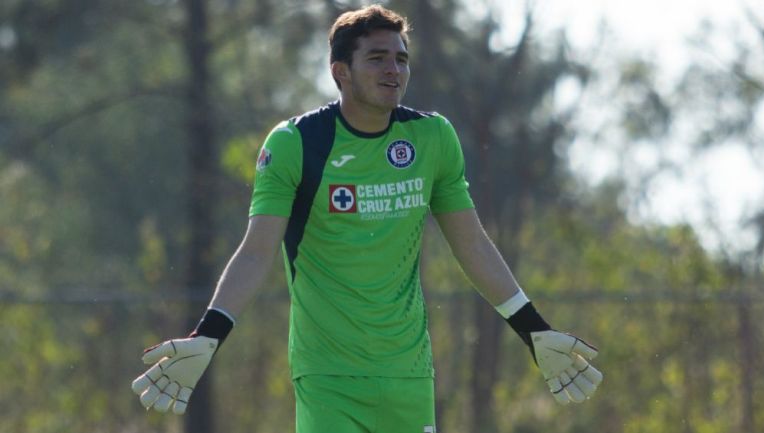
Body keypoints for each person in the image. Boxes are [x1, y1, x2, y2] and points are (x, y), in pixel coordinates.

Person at [131, 5, 603, 432]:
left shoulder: (433, 137)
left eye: (401, 58)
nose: (393, 69)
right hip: (327, 377)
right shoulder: (296, 143)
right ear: (341, 71)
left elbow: (473, 245)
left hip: (409, 374)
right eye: (377, 58)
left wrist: (534, 329)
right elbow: (256, 252)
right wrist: (209, 335)